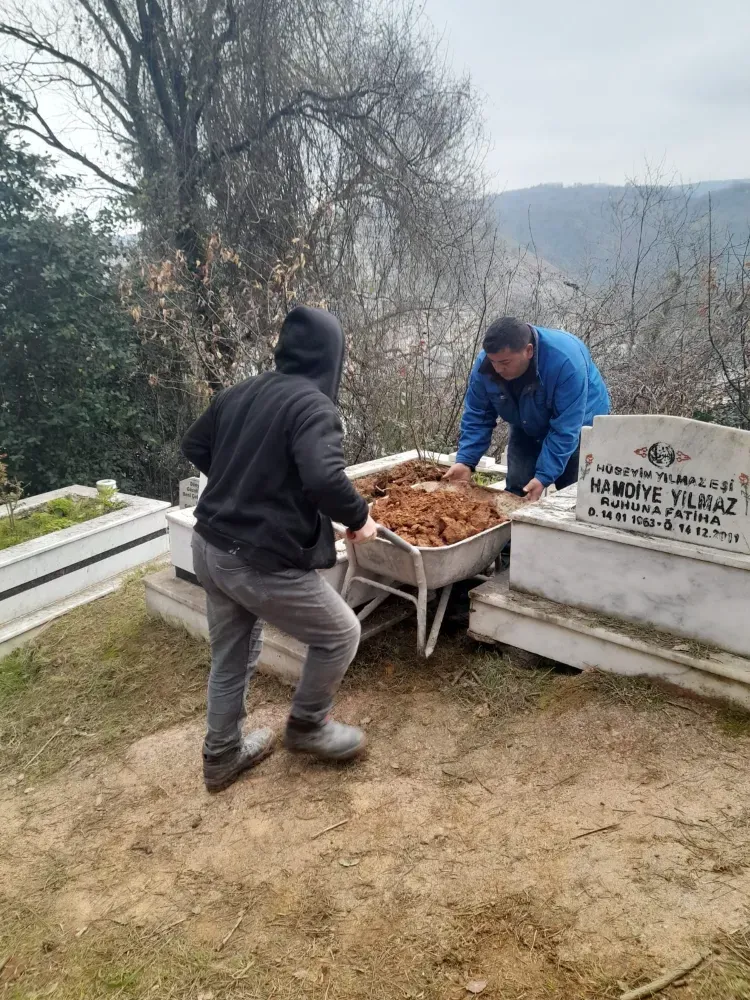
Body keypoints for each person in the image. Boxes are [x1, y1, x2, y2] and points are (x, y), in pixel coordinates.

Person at [182, 306, 378, 793]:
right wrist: (360, 518)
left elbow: (196, 444)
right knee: (340, 634)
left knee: (231, 655)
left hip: (208, 545)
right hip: (254, 560)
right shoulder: (314, 407)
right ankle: (308, 725)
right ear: (332, 357)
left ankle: (221, 756)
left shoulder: (241, 392)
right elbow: (324, 477)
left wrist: (248, 484)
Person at [444, 317, 610, 500]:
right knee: (518, 487)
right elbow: (478, 415)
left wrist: (543, 477)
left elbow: (566, 429)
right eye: (493, 362)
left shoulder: (566, 363)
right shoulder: (486, 364)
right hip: (526, 420)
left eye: (505, 363)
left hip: (579, 425)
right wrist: (466, 461)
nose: (497, 369)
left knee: (572, 495)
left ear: (528, 351)